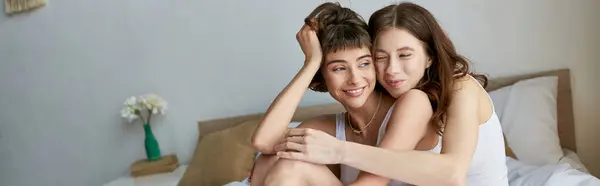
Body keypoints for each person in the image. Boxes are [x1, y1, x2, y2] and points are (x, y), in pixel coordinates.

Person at [275, 2, 510, 186]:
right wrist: (313, 61)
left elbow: (453, 174)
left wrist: (339, 150)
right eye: (380, 57)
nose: (392, 70)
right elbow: (266, 142)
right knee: (285, 166)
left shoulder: (462, 88)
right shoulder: (405, 101)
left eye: (405, 55)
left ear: (430, 56)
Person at [248, 2, 439, 186]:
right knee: (270, 162)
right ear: (321, 77)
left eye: (364, 63)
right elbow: (264, 142)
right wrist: (311, 63)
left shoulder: (414, 103)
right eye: (339, 68)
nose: (355, 79)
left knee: (290, 166)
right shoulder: (331, 127)